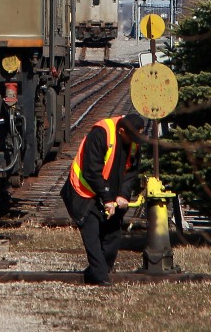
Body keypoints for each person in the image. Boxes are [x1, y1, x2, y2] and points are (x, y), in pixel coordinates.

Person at [60, 112, 147, 285]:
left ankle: (99, 270)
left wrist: (123, 195)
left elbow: (131, 172)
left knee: (113, 234)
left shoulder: (134, 143)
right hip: (84, 190)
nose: (135, 142)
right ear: (121, 131)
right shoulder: (100, 134)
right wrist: (107, 198)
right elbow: (91, 171)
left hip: (110, 191)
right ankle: (101, 278)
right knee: (91, 231)